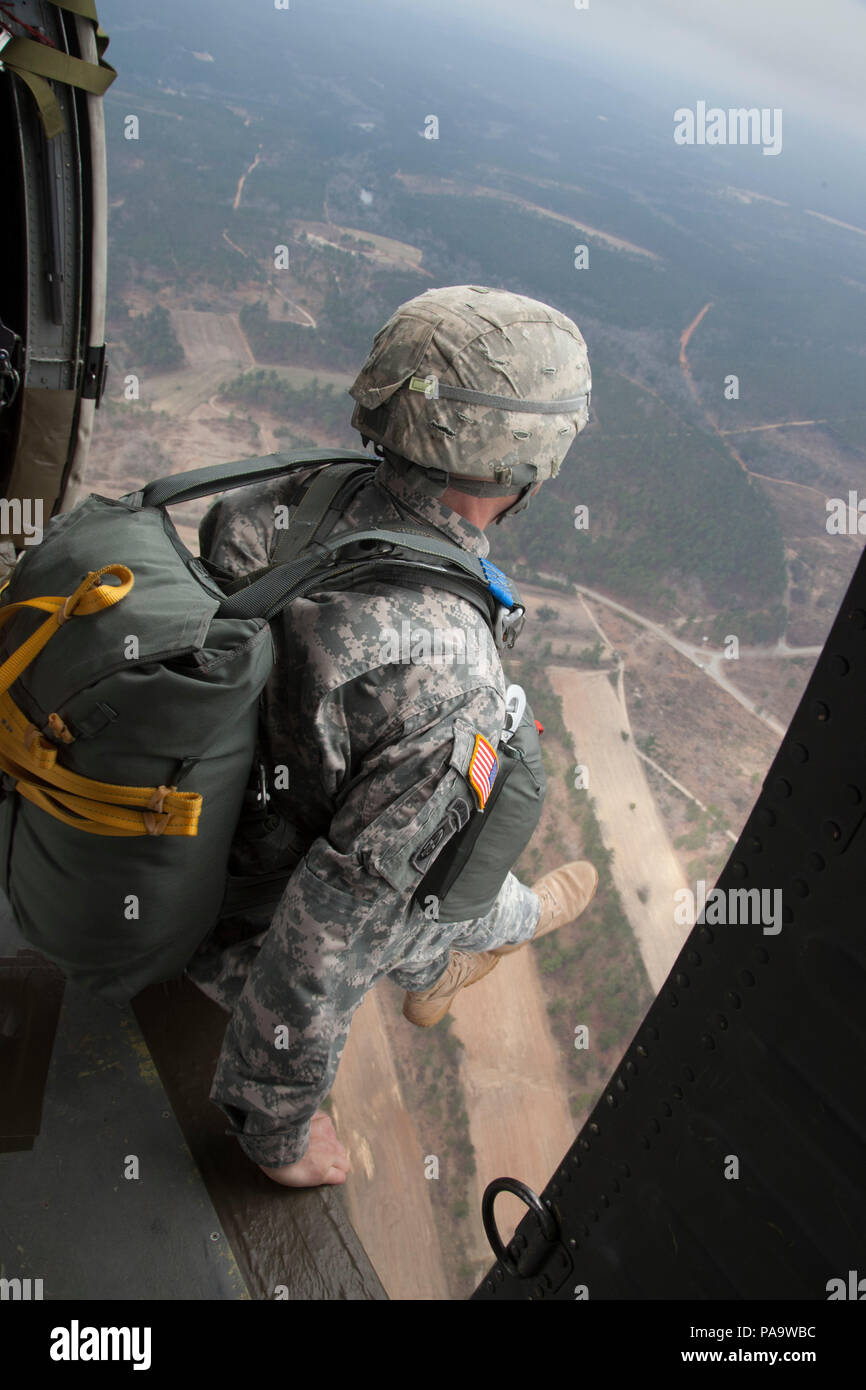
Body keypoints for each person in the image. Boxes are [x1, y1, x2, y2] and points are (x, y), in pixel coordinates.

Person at [186, 285, 598, 1189]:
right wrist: (277, 1130)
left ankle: (476, 941)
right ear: (529, 462)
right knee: (448, 859)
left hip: (178, 834)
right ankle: (484, 940)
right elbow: (332, 928)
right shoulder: (453, 685)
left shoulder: (271, 500)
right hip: (230, 926)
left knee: (432, 814)